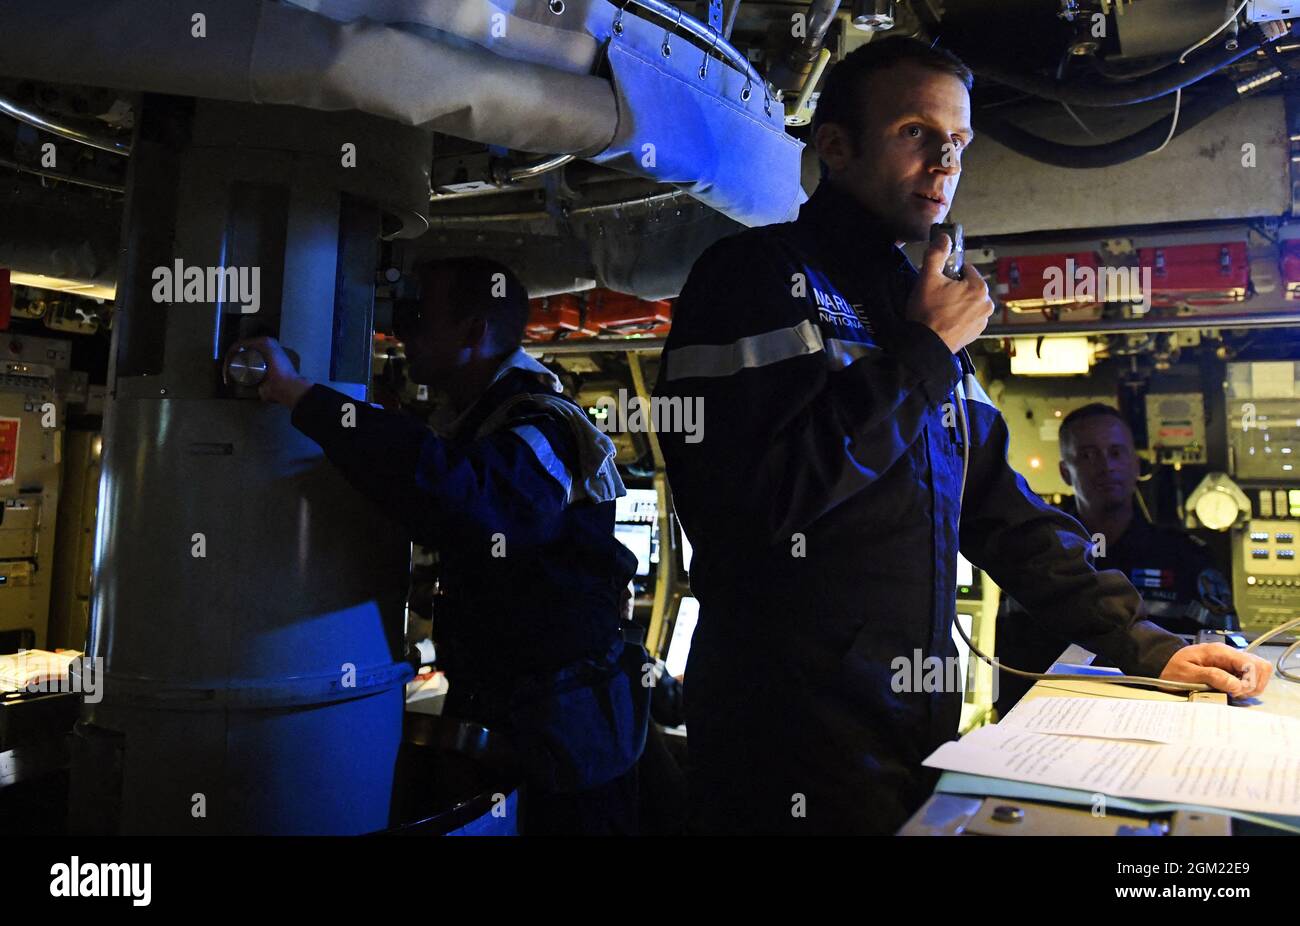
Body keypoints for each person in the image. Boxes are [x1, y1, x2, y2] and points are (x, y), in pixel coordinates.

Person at [651, 38, 1272, 835]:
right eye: (916, 130)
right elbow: (758, 506)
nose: (946, 158)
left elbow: (1002, 515)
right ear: (835, 147)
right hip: (787, 740)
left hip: (914, 722)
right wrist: (921, 354)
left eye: (960, 140)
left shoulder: (920, 306)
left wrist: (1145, 644)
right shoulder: (755, 279)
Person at [233, 257, 648, 835]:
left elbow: (468, 500)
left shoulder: (545, 424)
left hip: (565, 738)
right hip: (509, 717)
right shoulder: (482, 423)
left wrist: (302, 397)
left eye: (420, 316)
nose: (403, 331)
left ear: (475, 333)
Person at [995, 403, 1237, 714]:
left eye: (1116, 452)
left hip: (1169, 718)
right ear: (1065, 472)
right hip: (1053, 721)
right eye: (1088, 455)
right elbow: (1009, 662)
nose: (1106, 466)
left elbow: (1224, 648)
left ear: (1136, 465)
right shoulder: (1036, 557)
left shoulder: (1187, 557)